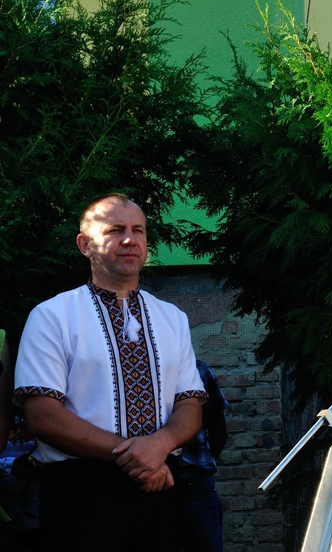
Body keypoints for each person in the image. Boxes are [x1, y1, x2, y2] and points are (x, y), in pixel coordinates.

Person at [14, 193, 207, 552]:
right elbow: (42, 416)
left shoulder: (173, 318)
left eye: (139, 230)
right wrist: (138, 455)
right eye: (116, 230)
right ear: (85, 245)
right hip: (80, 492)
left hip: (159, 488)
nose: (130, 239)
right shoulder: (52, 316)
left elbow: (190, 403)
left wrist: (160, 445)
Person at [173, 360, 229, 552]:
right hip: (155, 486)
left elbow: (219, 432)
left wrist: (201, 464)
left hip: (196, 485)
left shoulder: (199, 371)